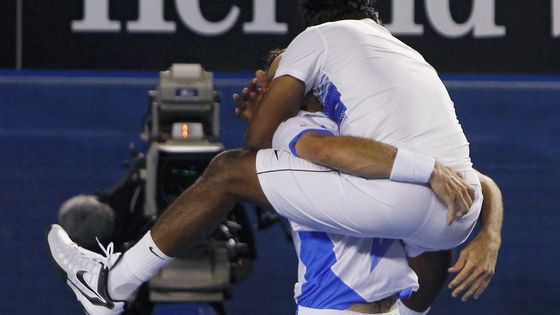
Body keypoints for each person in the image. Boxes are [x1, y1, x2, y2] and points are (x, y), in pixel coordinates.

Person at [46, 1, 501, 314]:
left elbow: (282, 149)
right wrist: (485, 232)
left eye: (280, 75)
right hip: (353, 297)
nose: (271, 80)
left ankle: (111, 285)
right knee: (439, 218)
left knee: (227, 169)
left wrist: (265, 119)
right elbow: (470, 187)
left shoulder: (332, 129)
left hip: (349, 302)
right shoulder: (327, 132)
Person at [233, 49, 503, 314]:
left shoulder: (366, 136)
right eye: (285, 76)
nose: (296, 81)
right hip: (333, 308)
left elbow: (477, 183)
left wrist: (489, 237)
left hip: (392, 307)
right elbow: (321, 149)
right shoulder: (292, 131)